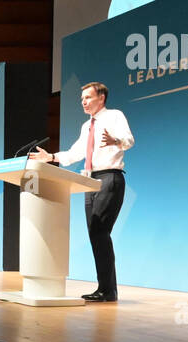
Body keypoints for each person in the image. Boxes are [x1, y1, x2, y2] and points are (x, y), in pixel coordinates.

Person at [30, 81, 134, 302]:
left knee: (99, 232)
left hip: (109, 177)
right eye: (82, 99)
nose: (83, 102)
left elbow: (129, 140)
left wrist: (116, 141)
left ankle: (108, 290)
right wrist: (51, 158)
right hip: (89, 181)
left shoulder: (114, 116)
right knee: (96, 235)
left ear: (101, 98)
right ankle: (106, 289)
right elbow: (76, 152)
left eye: (87, 97)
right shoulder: (87, 126)